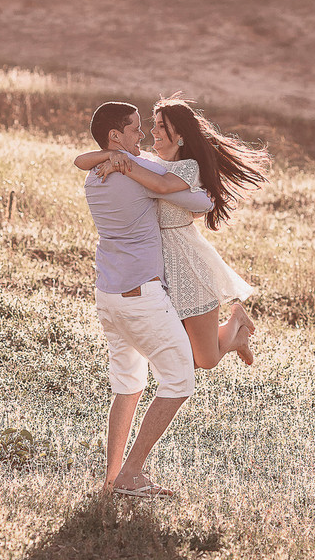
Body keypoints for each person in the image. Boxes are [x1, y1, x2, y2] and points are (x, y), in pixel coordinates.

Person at [82, 101, 215, 500]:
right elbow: (201, 202)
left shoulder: (93, 176)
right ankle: (131, 474)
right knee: (179, 380)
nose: (142, 135)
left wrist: (111, 158)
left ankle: (111, 480)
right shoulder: (141, 172)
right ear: (115, 136)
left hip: (107, 297)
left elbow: (82, 158)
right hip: (141, 296)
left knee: (128, 385)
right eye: (134, 129)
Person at [76, 95, 269, 370]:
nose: (151, 131)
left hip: (188, 263)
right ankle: (236, 335)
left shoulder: (187, 168)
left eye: (160, 126)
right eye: (151, 124)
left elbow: (164, 187)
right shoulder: (150, 162)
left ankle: (236, 319)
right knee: (180, 355)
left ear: (179, 135)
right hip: (159, 269)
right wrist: (112, 156)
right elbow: (80, 160)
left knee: (205, 360)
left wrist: (123, 165)